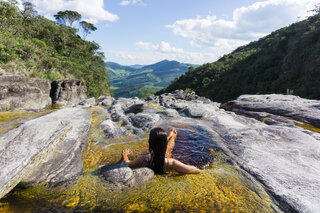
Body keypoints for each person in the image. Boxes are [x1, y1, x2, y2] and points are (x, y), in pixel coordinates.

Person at [122, 127, 201, 174]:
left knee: (162, 148)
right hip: (165, 160)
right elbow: (194, 170)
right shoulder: (172, 163)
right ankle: (172, 137)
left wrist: (125, 155)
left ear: (149, 142)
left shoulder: (142, 159)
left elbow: (128, 164)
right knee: (168, 149)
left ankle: (170, 137)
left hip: (152, 158)